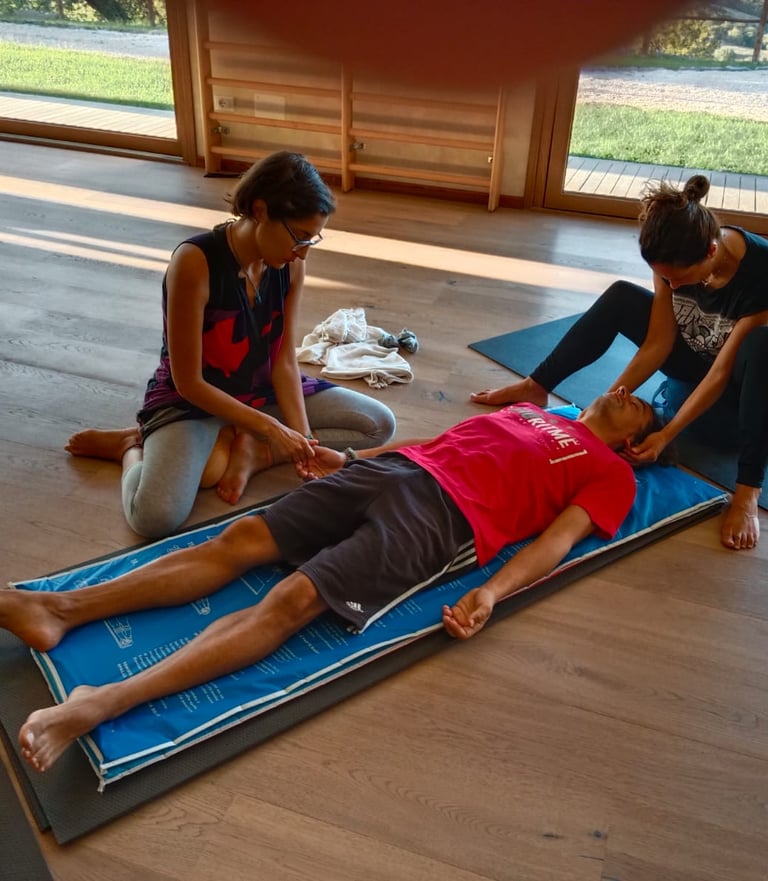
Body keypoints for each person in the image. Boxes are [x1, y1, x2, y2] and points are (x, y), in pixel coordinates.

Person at [5, 387, 658, 773]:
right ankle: (59, 607)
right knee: (239, 540)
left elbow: (558, 541)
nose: (625, 393)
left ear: (635, 442)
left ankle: (106, 699)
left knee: (293, 598)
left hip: (446, 521)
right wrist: (354, 458)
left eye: (639, 407)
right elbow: (444, 439)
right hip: (397, 469)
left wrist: (491, 590)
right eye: (627, 389)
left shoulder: (613, 472)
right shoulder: (532, 409)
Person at [65, 151, 395, 539]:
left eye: (312, 239)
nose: (303, 250)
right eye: (299, 236)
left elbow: (284, 362)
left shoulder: (291, 263)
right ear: (260, 210)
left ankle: (253, 452)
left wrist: (303, 445)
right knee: (154, 516)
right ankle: (130, 446)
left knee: (378, 424)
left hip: (260, 389)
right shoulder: (195, 262)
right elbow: (188, 382)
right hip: (195, 399)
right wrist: (272, 427)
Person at [471, 175, 768, 551]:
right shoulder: (673, 251)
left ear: (711, 253)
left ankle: (749, 490)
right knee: (623, 296)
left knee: (764, 344)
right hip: (699, 356)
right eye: (664, 277)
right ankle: (537, 385)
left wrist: (665, 435)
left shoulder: (759, 272)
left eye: (678, 279)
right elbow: (659, 342)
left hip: (747, 381)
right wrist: (605, 405)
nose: (672, 287)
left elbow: (721, 373)